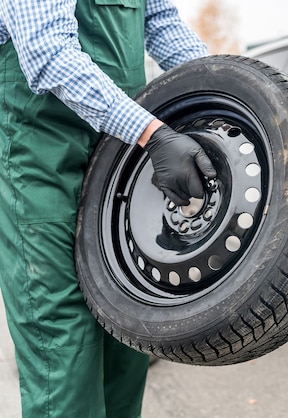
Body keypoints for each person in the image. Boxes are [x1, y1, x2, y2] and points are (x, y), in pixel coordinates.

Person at [0, 0, 216, 416]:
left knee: (128, 332)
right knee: (63, 345)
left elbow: (161, 23)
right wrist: (152, 133)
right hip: (42, 157)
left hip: (121, 154)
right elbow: (46, 50)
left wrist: (227, 88)